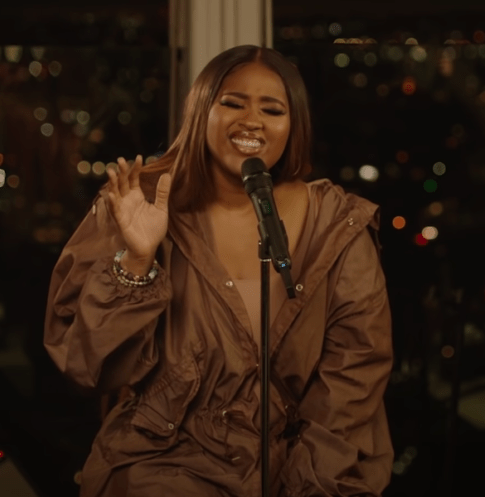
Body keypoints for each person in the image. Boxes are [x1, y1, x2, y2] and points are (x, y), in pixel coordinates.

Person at [44, 45, 394, 497]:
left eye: (272, 109)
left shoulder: (338, 226)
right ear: (200, 111)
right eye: (232, 103)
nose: (252, 121)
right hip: (165, 465)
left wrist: (309, 484)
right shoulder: (139, 203)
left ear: (294, 125)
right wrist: (137, 260)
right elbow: (87, 366)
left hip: (303, 463)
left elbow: (354, 376)